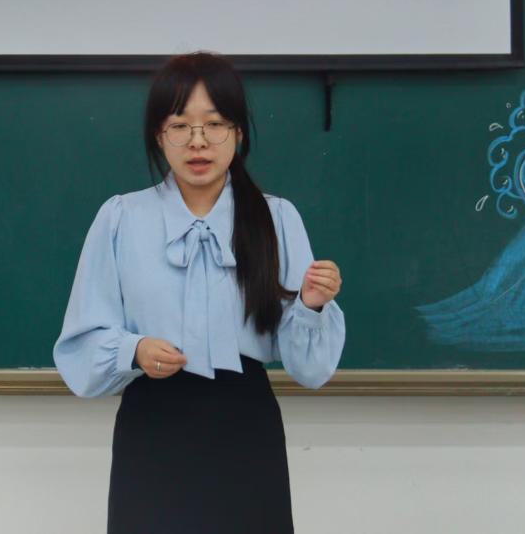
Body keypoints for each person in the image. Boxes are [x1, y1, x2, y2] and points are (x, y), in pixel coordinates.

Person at [53, 51, 346, 534]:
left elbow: (310, 370)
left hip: (245, 428)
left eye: (214, 124)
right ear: (158, 135)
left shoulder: (276, 218)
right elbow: (82, 345)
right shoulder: (121, 218)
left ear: (238, 133)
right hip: (153, 425)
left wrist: (312, 306)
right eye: (179, 126)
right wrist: (134, 350)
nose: (198, 141)